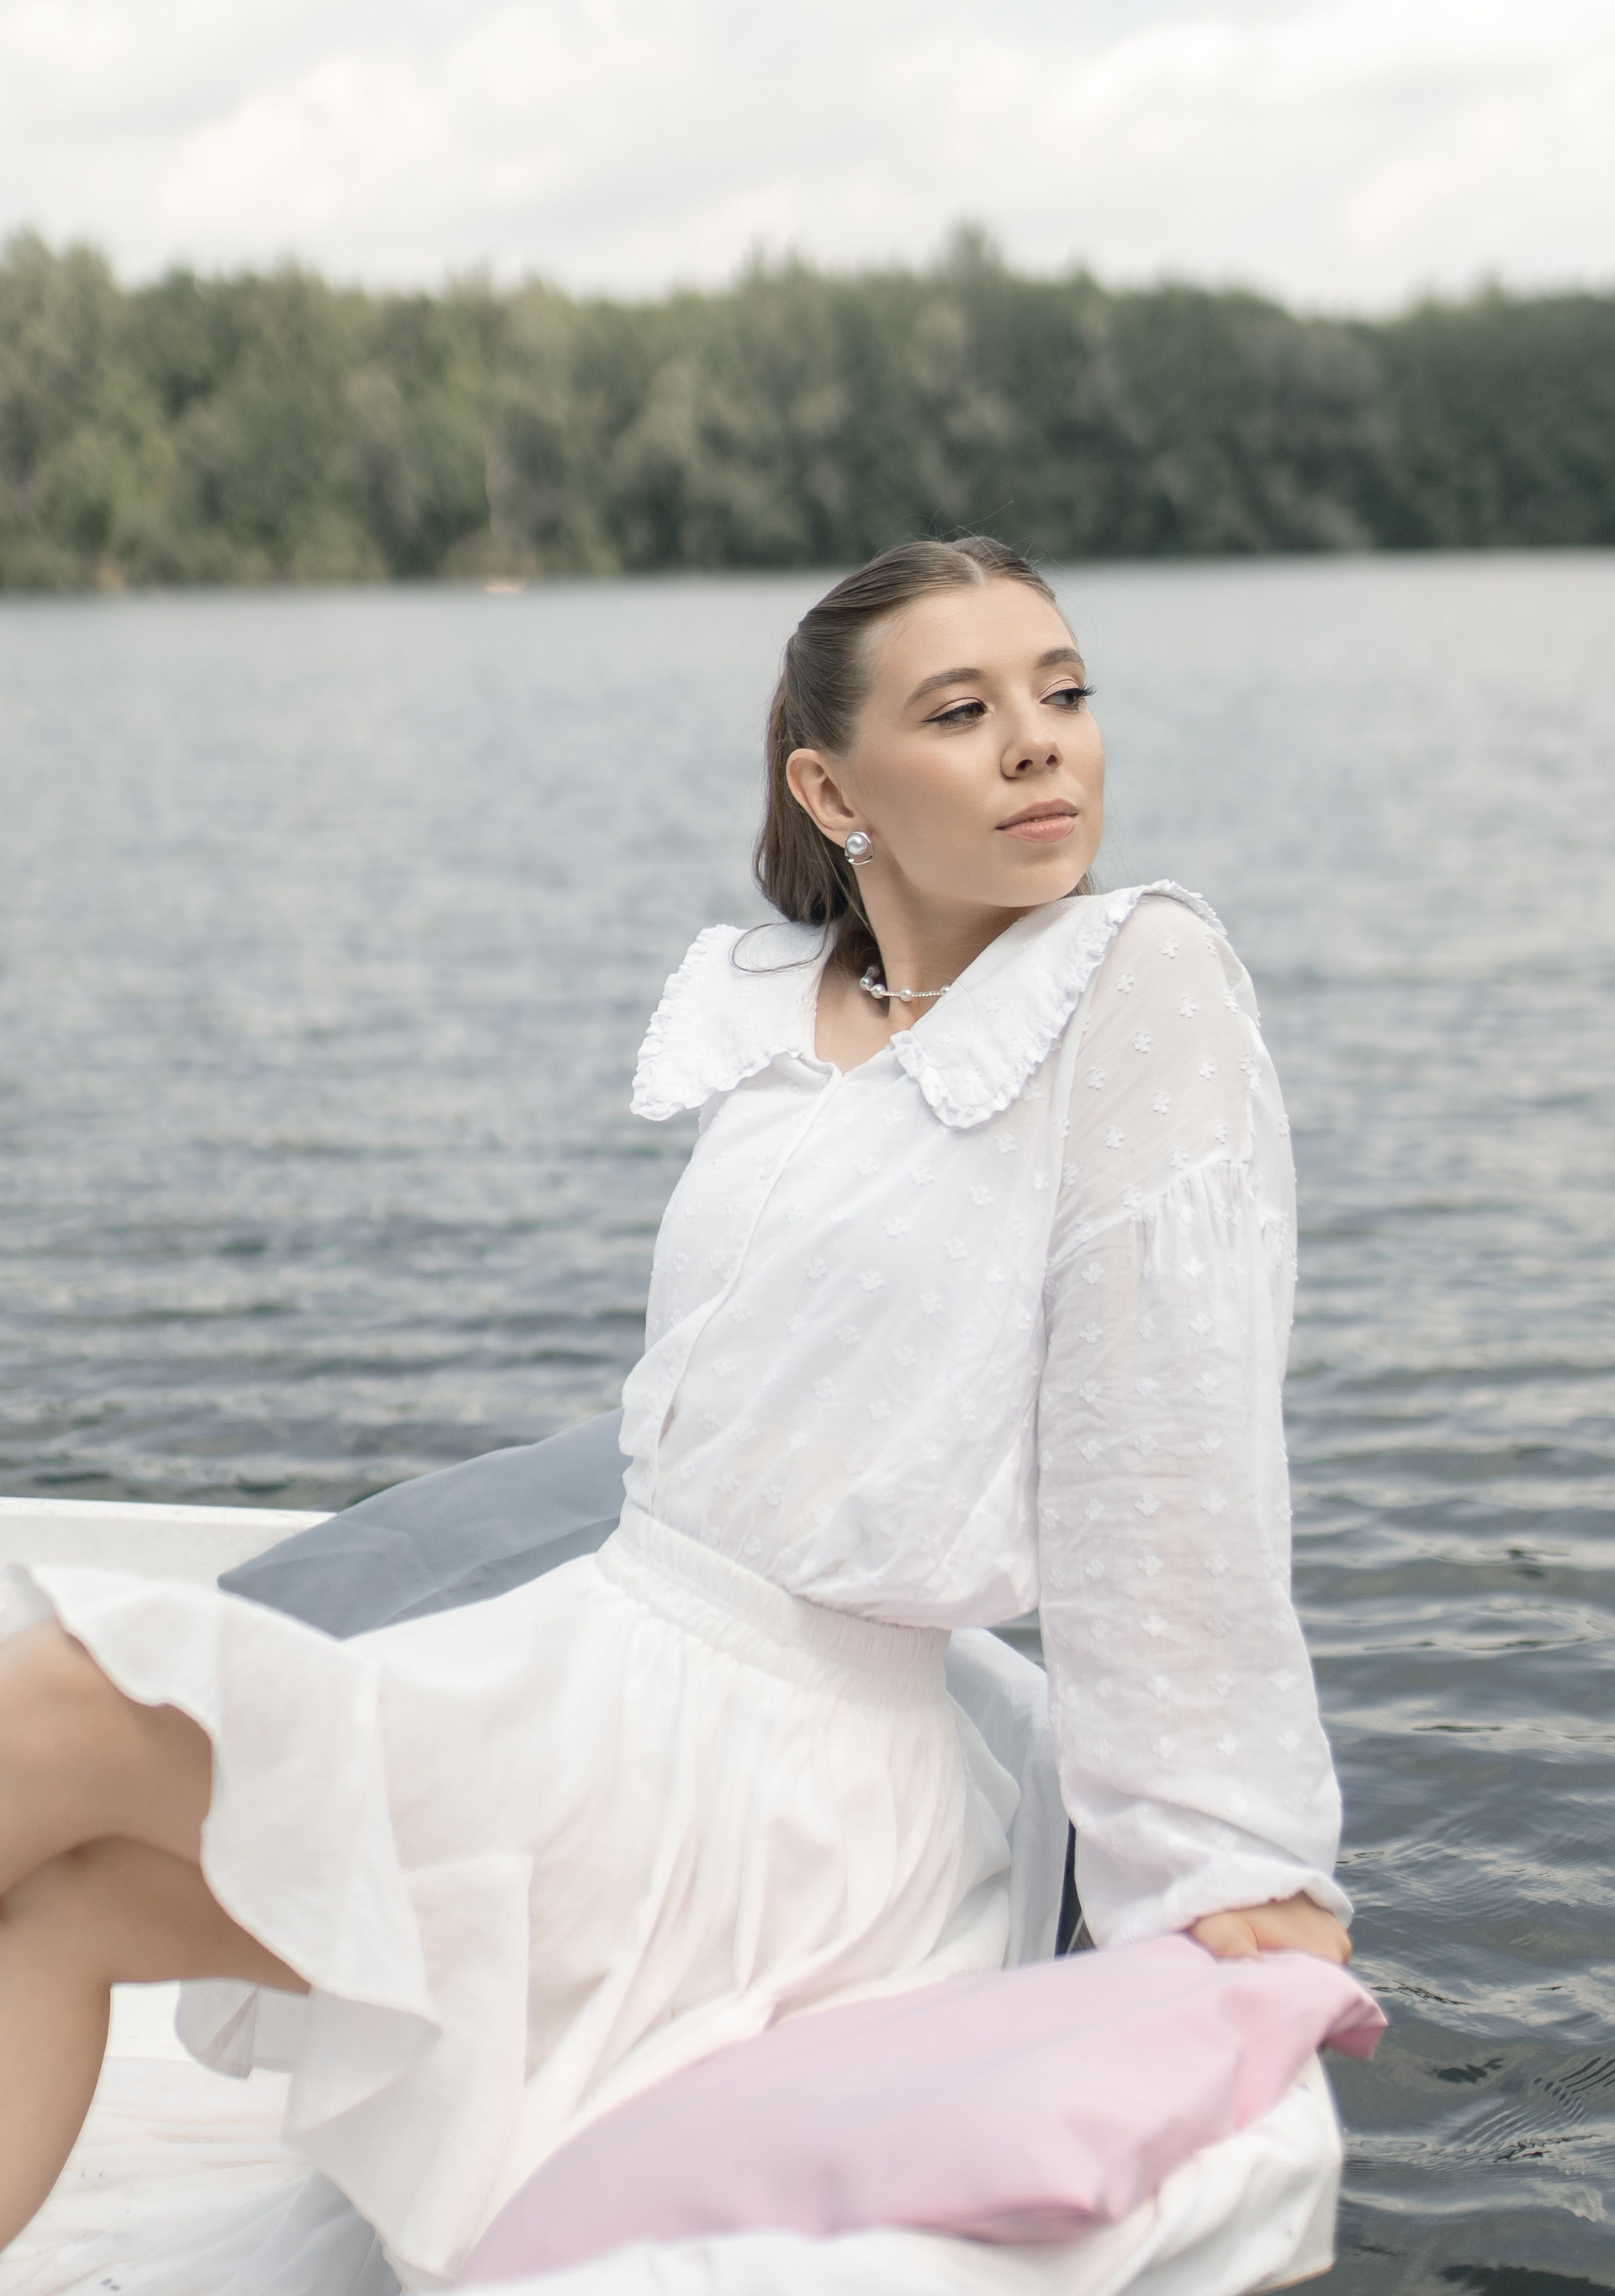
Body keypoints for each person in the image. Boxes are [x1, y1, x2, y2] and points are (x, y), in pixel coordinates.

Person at [0, 537, 1349, 2292]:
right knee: (74, 1907)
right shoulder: (779, 1010)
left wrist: (1222, 1854)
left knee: (56, 1710)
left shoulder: (1135, 984)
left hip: (771, 1783)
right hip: (591, 1668)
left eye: (1065, 691)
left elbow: (1169, 1449)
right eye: (963, 710)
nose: (1041, 741)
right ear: (831, 789)